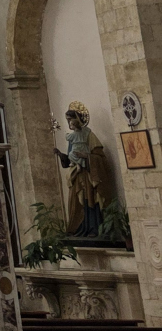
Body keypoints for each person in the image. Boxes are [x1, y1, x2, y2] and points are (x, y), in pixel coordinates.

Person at [56, 100, 114, 239]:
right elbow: (69, 161)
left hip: (88, 175)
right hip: (77, 175)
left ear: (78, 119)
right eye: (68, 120)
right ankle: (80, 228)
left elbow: (100, 157)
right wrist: (61, 155)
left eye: (71, 119)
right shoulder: (72, 139)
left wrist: (86, 157)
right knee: (78, 202)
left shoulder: (88, 135)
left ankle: (94, 228)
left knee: (91, 201)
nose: (70, 123)